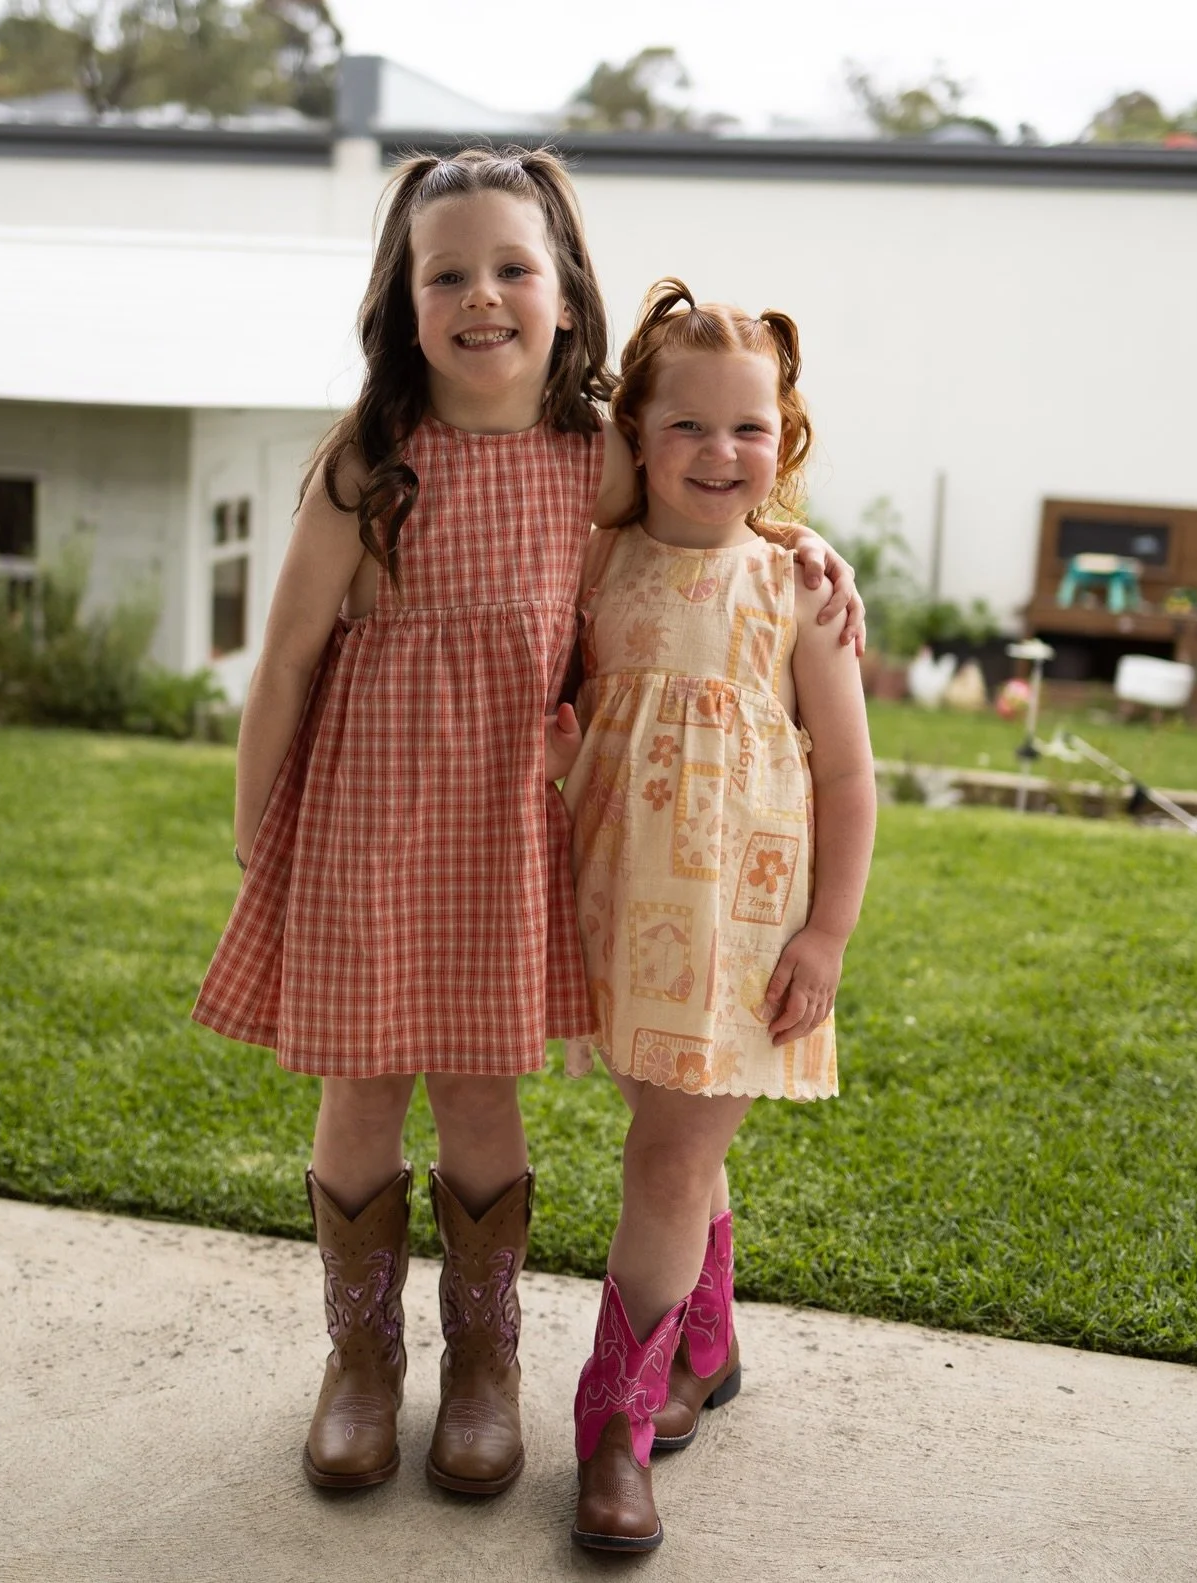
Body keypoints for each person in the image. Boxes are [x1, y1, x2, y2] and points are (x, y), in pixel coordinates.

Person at [192, 152, 864, 1499]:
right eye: (448, 272)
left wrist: (803, 545)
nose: (482, 295)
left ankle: (485, 1367)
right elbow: (282, 660)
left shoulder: (592, 448)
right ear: (404, 296)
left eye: (514, 268)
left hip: (511, 825)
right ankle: (363, 1360)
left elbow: (708, 484)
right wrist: (258, 830)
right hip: (367, 820)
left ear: (566, 297)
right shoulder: (367, 461)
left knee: (482, 1090)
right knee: (361, 1084)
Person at [553, 280, 877, 1552]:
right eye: (686, 426)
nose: (720, 453)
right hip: (623, 905)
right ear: (634, 430)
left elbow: (849, 774)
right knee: (667, 1137)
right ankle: (709, 1336)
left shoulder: (798, 588)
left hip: (741, 933)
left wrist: (827, 934)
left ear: (782, 438)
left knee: (668, 1158)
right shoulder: (601, 561)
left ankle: (614, 1428)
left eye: (750, 429)